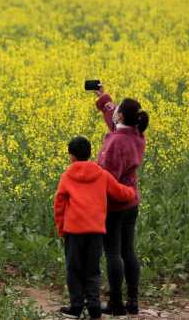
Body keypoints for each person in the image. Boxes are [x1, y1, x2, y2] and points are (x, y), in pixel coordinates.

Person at [54, 136, 136, 319]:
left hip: (73, 231)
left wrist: (61, 228)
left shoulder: (67, 176)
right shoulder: (101, 173)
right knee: (93, 270)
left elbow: (59, 204)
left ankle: (76, 307)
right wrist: (132, 192)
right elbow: (121, 193)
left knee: (74, 269)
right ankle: (94, 308)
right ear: (90, 154)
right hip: (96, 231)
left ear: (71, 156)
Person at [94, 87, 149, 316]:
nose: (113, 111)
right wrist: (103, 98)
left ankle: (116, 304)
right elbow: (115, 121)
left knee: (113, 253)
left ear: (122, 116)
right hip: (131, 202)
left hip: (115, 204)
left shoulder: (116, 142)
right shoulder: (136, 133)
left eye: (117, 110)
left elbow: (108, 175)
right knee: (129, 251)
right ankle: (133, 302)